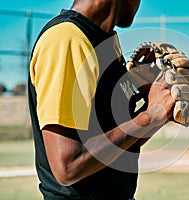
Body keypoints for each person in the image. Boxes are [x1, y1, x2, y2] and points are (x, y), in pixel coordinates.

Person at [28, 0, 175, 199]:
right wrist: (148, 117)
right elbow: (68, 167)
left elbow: (119, 147)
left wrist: (158, 108)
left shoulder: (105, 42)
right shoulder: (68, 39)